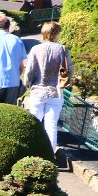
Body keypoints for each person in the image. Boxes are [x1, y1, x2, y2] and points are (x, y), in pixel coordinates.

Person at [24, 22, 71, 155]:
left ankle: (32, 152)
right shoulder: (63, 49)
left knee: (35, 123)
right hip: (56, 92)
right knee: (51, 125)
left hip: (37, 91)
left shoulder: (35, 49)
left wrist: (28, 84)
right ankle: (49, 154)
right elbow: (70, 70)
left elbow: (29, 72)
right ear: (56, 34)